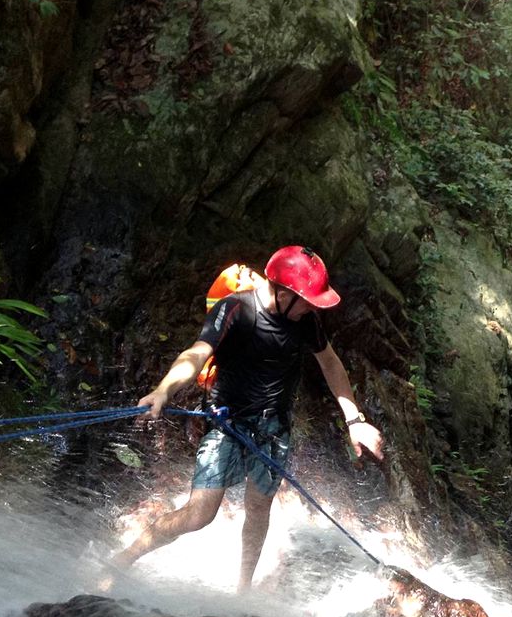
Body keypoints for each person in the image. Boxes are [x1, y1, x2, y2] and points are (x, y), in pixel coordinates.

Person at [112, 245, 385, 591]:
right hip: (228, 426)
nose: (314, 307)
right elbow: (197, 353)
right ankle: (124, 559)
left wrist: (354, 419)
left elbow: (330, 363)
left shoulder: (305, 320)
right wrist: (164, 391)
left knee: (258, 512)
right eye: (308, 300)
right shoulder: (236, 310)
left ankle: (242, 591)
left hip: (273, 431)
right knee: (200, 514)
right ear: (283, 293)